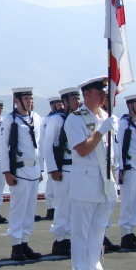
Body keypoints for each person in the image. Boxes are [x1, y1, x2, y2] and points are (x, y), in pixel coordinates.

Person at [65, 76, 118, 270]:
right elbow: (83, 149)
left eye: (105, 92)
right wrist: (101, 130)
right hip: (85, 183)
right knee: (81, 234)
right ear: (87, 94)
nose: (104, 95)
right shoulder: (75, 119)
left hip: (105, 182)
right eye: (100, 92)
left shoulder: (105, 116)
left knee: (98, 232)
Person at [0, 87, 43, 262]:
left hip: (33, 169)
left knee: (30, 209)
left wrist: (40, 169)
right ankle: (16, 244)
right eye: (25, 98)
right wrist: (6, 171)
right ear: (16, 101)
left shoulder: (36, 118)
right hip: (19, 170)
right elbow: (3, 147)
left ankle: (25, 242)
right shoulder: (10, 120)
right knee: (18, 208)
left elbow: (40, 145)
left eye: (31, 98)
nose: (29, 102)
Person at [43, 87, 80, 256]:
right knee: (62, 206)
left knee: (73, 206)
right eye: (74, 99)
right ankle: (59, 240)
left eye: (78, 99)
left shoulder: (76, 119)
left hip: (76, 168)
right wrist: (53, 169)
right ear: (64, 102)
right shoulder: (57, 120)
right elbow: (48, 145)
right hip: (62, 168)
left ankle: (68, 238)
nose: (77, 103)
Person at [116, 94, 136, 249]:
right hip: (130, 166)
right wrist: (120, 168)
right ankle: (125, 234)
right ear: (130, 105)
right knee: (128, 202)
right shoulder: (123, 124)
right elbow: (119, 147)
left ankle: (132, 231)